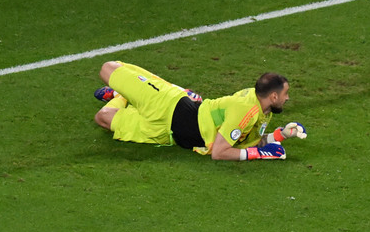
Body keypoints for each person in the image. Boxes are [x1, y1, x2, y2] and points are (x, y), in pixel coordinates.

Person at [93, 61, 306, 161]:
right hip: (167, 104)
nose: (288, 98)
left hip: (167, 134)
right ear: (274, 96)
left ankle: (121, 96)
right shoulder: (246, 110)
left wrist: (279, 136)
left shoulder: (264, 110)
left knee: (102, 119)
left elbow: (243, 140)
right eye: (286, 94)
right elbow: (220, 152)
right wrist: (260, 154)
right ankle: (127, 93)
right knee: (108, 68)